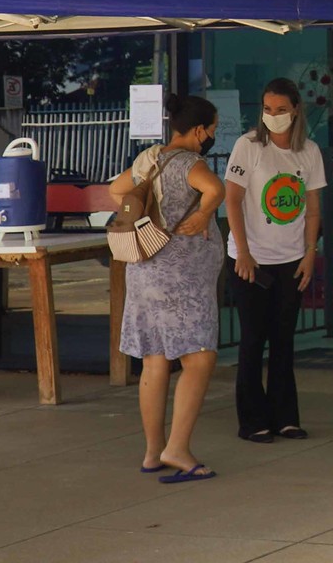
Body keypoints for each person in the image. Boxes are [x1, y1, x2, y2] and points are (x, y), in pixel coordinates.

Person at [108, 93, 225, 484]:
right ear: (197, 130)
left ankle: (153, 451)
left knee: (155, 359)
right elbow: (215, 188)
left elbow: (116, 190)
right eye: (212, 128)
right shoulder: (191, 162)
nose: (212, 135)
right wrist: (204, 213)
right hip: (182, 281)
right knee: (199, 357)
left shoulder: (151, 158)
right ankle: (178, 448)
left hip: (144, 273)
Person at [225, 77, 326, 443]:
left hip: (292, 259)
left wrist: (310, 253)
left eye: (281, 110)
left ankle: (286, 416)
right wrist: (245, 253)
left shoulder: (309, 152)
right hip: (250, 259)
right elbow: (232, 200)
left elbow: (313, 210)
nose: (274, 116)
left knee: (284, 340)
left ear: (296, 109)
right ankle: (252, 420)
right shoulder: (248, 146)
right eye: (268, 110)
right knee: (253, 340)